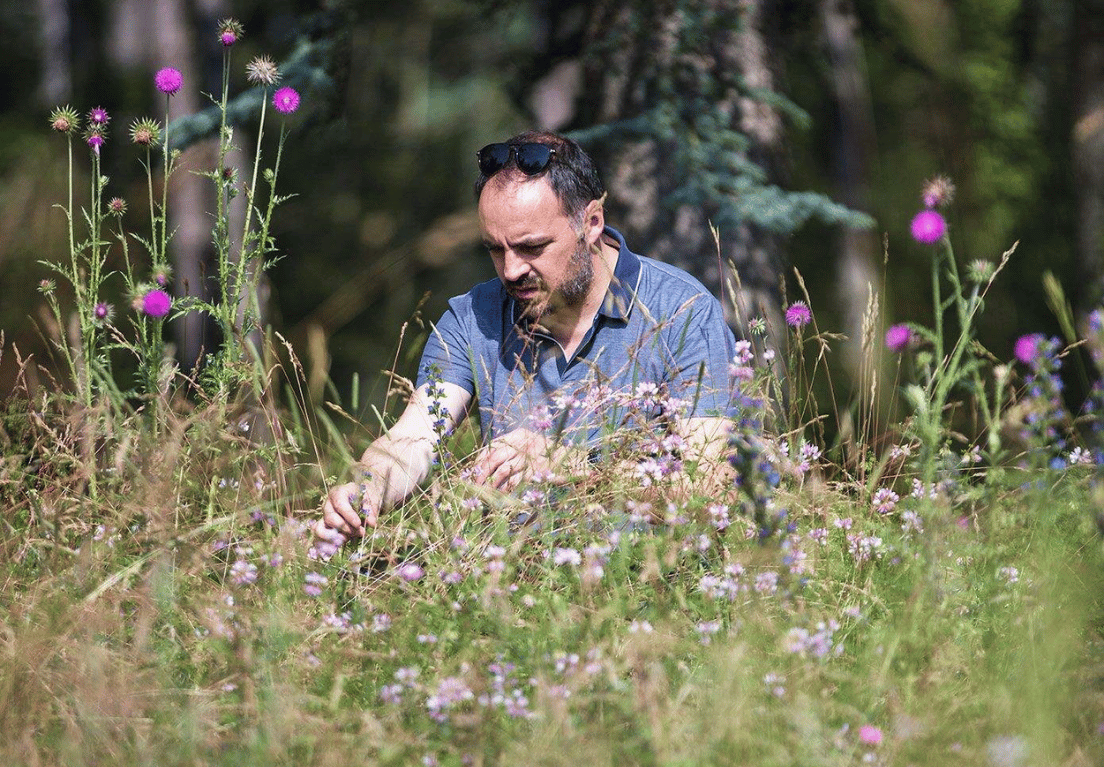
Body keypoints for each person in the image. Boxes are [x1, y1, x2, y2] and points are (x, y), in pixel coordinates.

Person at [314, 131, 738, 545]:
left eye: (531, 247)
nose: (511, 270)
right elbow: (415, 437)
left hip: (646, 577)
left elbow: (711, 485)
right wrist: (368, 488)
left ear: (591, 222)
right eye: (495, 249)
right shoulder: (472, 317)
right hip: (508, 575)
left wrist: (570, 463)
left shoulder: (681, 311)